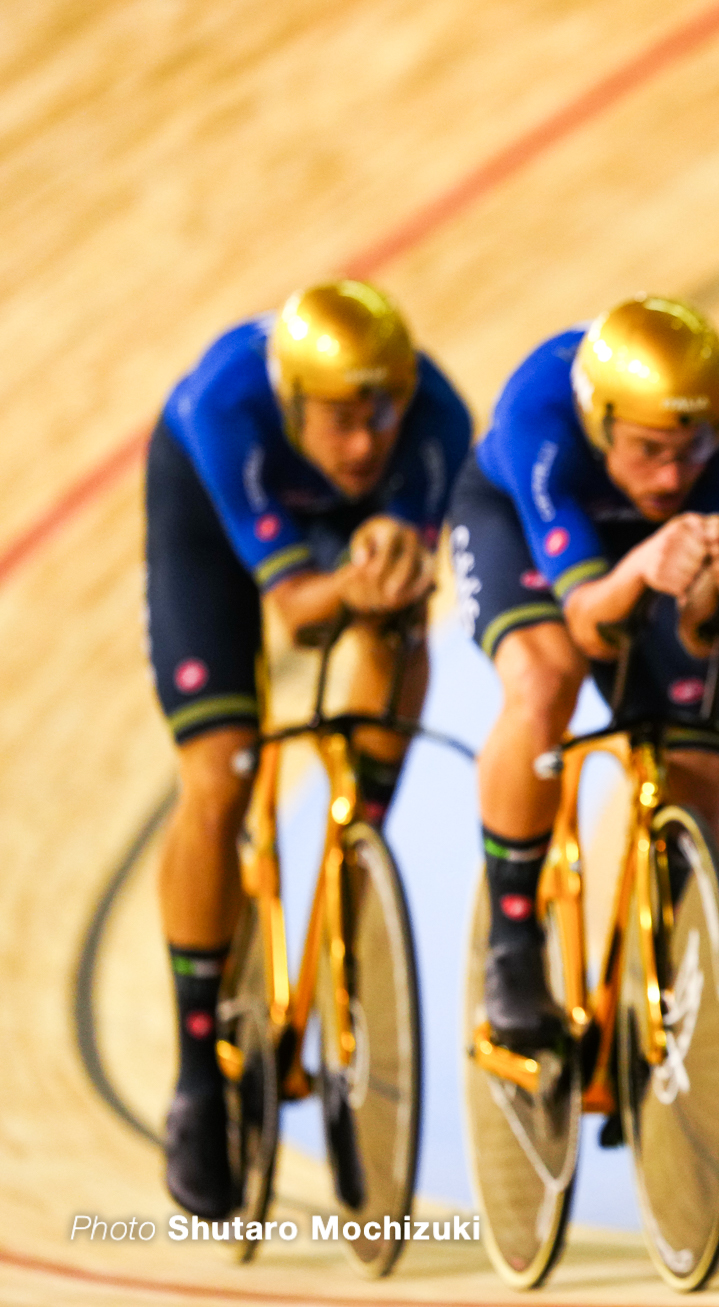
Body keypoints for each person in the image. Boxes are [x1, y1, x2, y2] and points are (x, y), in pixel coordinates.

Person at [145, 280, 471, 1218]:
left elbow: (396, 593)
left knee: (398, 626)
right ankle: (196, 1068)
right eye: (340, 420)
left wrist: (391, 568)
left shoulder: (440, 419)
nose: (366, 441)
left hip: (338, 533)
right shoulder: (228, 404)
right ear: (293, 405)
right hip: (210, 521)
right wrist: (357, 578)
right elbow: (295, 616)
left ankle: (353, 846)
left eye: (381, 414)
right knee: (222, 769)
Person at [449, 296, 719, 1052]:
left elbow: (704, 631)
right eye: (650, 449)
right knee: (547, 682)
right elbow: (590, 621)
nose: (674, 473)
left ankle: (660, 965)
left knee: (694, 758)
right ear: (600, 423)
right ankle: (513, 943)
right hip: (524, 539)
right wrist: (642, 567)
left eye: (693, 450)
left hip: (648, 557)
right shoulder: (540, 414)